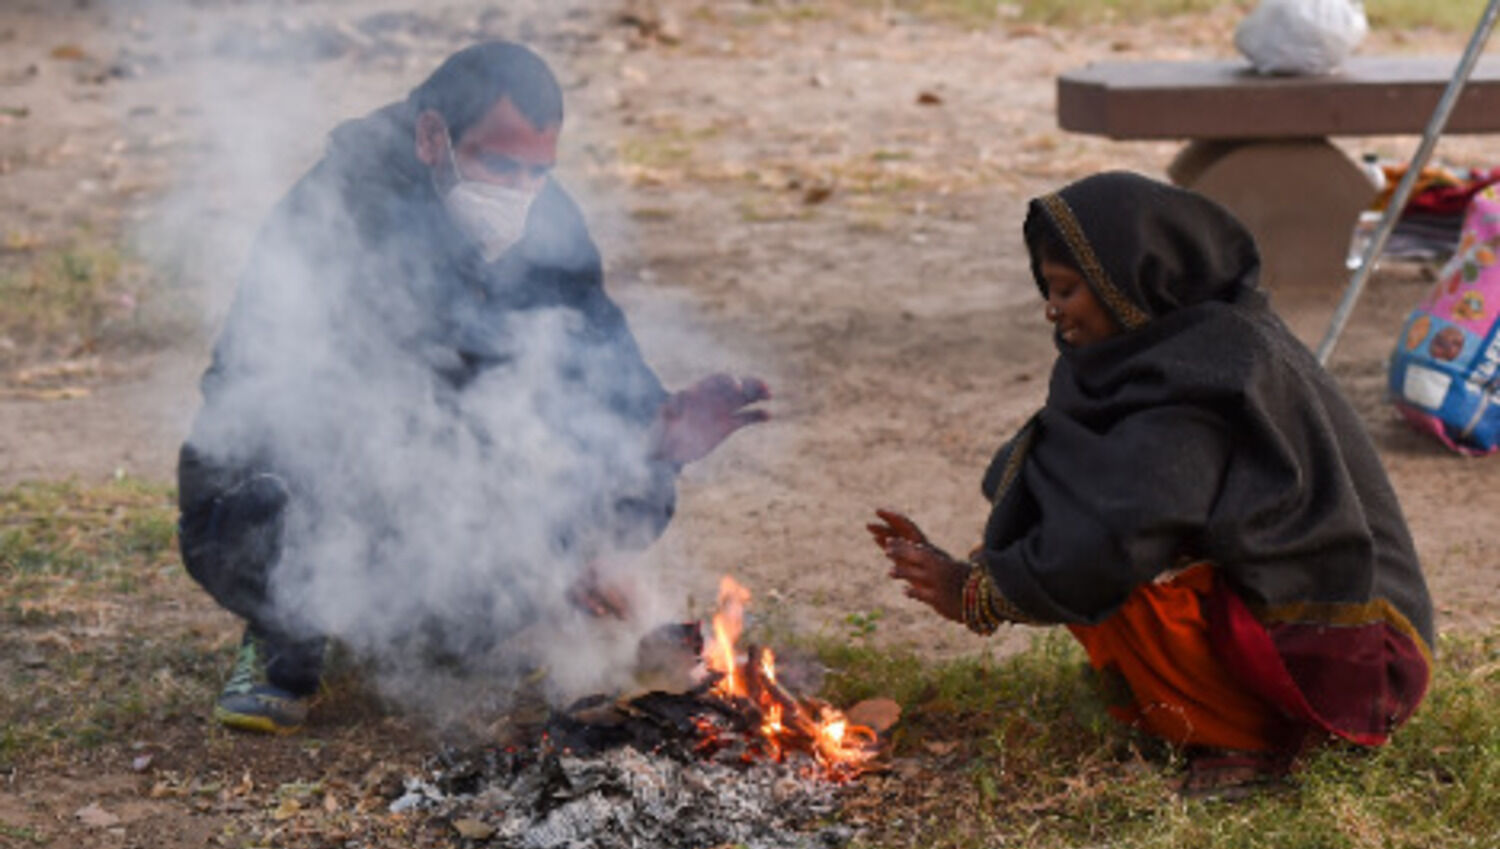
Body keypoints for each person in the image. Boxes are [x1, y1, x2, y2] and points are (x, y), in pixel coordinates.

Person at [178, 41, 769, 734]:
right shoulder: (342, 210)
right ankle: (284, 633)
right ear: (433, 136)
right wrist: (529, 528)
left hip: (449, 497)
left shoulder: (546, 219)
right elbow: (377, 412)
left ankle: (442, 624)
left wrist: (655, 428)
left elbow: (594, 349)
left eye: (538, 172)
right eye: (500, 164)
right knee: (300, 470)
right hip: (290, 483)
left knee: (637, 478)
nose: (520, 191)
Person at [870, 171, 1434, 796]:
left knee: (1107, 563)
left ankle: (1255, 741)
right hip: (1334, 634)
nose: (1052, 310)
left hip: (1363, 664)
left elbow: (1117, 538)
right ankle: (1223, 709)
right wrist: (991, 567)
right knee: (1057, 531)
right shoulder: (1183, 343)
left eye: (1067, 290)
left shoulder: (1211, 372)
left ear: (1128, 281)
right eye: (1048, 290)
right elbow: (1060, 476)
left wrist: (976, 594)